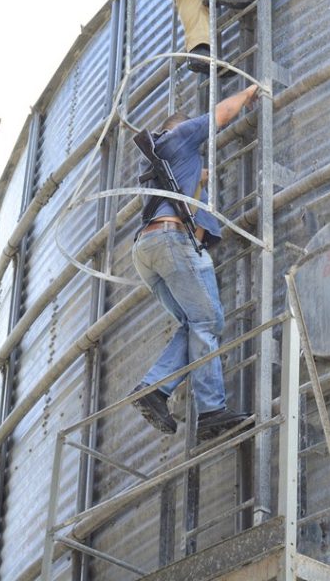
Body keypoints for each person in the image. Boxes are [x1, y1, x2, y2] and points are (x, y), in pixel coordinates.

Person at [130, 83, 259, 441]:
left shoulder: (156, 159)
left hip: (148, 249)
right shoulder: (180, 135)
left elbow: (183, 183)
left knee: (193, 326)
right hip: (173, 242)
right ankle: (211, 410)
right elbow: (219, 115)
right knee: (208, 320)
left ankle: (155, 390)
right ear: (179, 128)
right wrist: (248, 93)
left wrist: (199, 175)